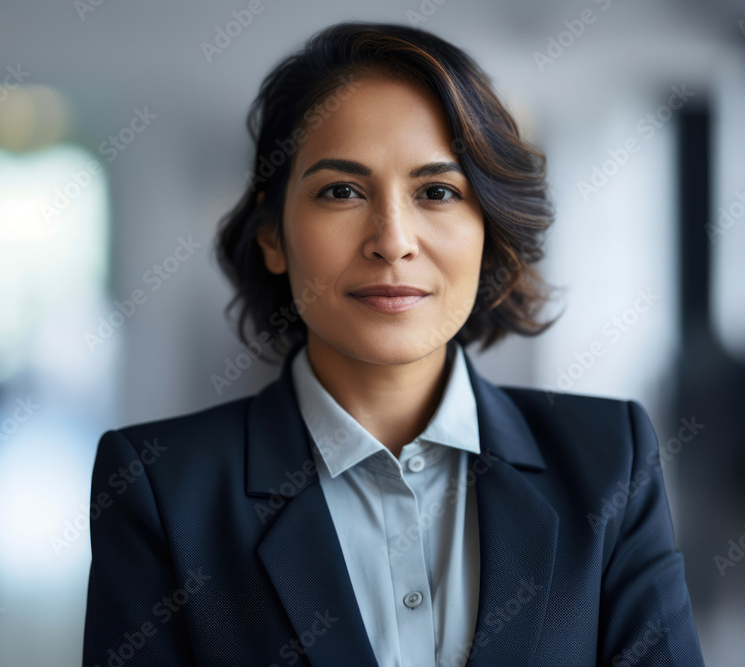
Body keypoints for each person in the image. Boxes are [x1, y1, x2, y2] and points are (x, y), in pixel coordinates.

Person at [83, 20, 705, 667]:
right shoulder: (162, 486)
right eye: (341, 191)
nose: (392, 239)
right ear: (273, 234)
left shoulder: (609, 462)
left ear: (489, 229)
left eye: (437, 191)